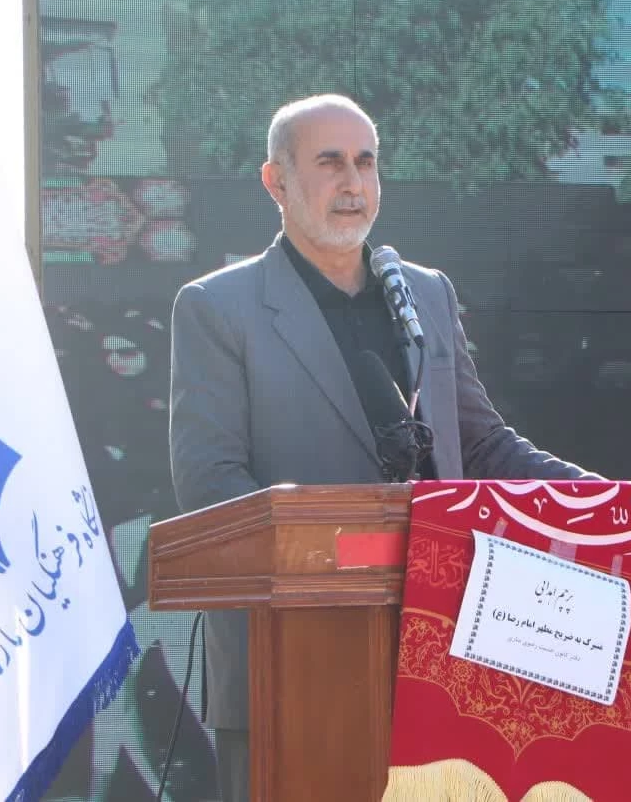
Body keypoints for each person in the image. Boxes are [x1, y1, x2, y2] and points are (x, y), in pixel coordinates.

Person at [167, 93, 597, 802]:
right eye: (329, 162)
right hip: (293, 667)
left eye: (366, 162)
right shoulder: (217, 306)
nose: (353, 182)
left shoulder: (424, 293)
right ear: (276, 181)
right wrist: (336, 552)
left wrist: (602, 503)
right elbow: (211, 483)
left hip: (446, 659)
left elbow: (481, 445)